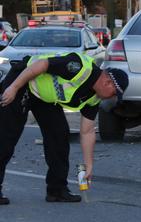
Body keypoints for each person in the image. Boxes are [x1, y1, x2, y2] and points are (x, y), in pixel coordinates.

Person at [0, 52, 129, 204]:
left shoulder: (94, 98)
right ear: (107, 82)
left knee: (59, 136)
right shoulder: (79, 67)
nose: (111, 99)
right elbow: (42, 65)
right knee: (6, 137)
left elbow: (87, 131)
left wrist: (89, 165)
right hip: (23, 81)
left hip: (45, 97)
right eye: (114, 94)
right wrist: (13, 88)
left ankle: (57, 190)